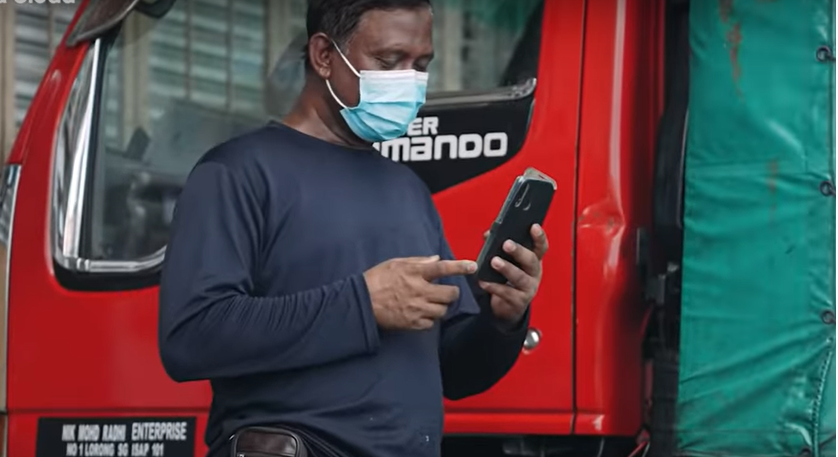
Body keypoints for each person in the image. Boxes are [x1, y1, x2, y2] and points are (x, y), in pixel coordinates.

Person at [157, 0, 550, 456]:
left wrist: (502, 318)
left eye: (421, 65)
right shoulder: (237, 173)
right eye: (389, 60)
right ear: (324, 55)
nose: (409, 80)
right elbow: (191, 338)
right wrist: (362, 305)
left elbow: (456, 372)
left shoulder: (407, 189)